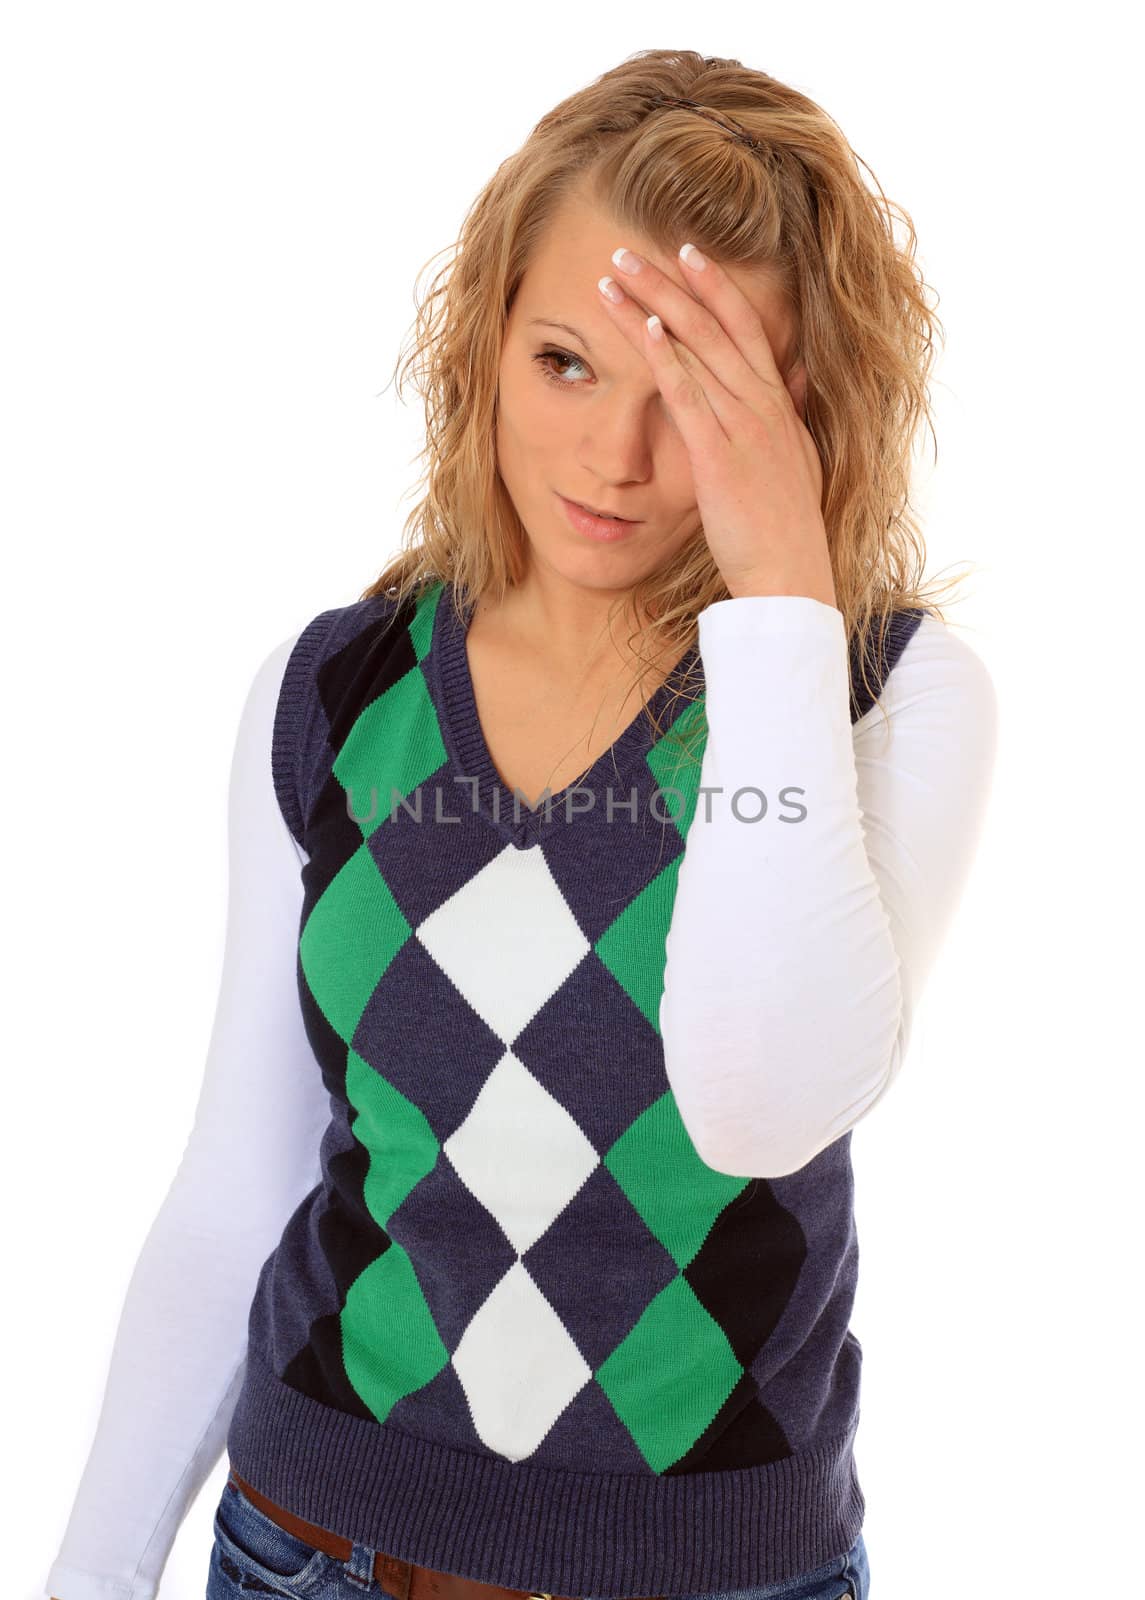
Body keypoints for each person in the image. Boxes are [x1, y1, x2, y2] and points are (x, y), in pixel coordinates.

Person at [45, 47, 997, 1600]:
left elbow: (758, 1105)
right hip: (309, 1550)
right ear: (482, 338)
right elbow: (243, 1179)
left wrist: (779, 603)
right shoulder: (340, 692)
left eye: (698, 396)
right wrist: (90, 1572)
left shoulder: (881, 698)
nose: (614, 459)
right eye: (566, 361)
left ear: (803, 406)